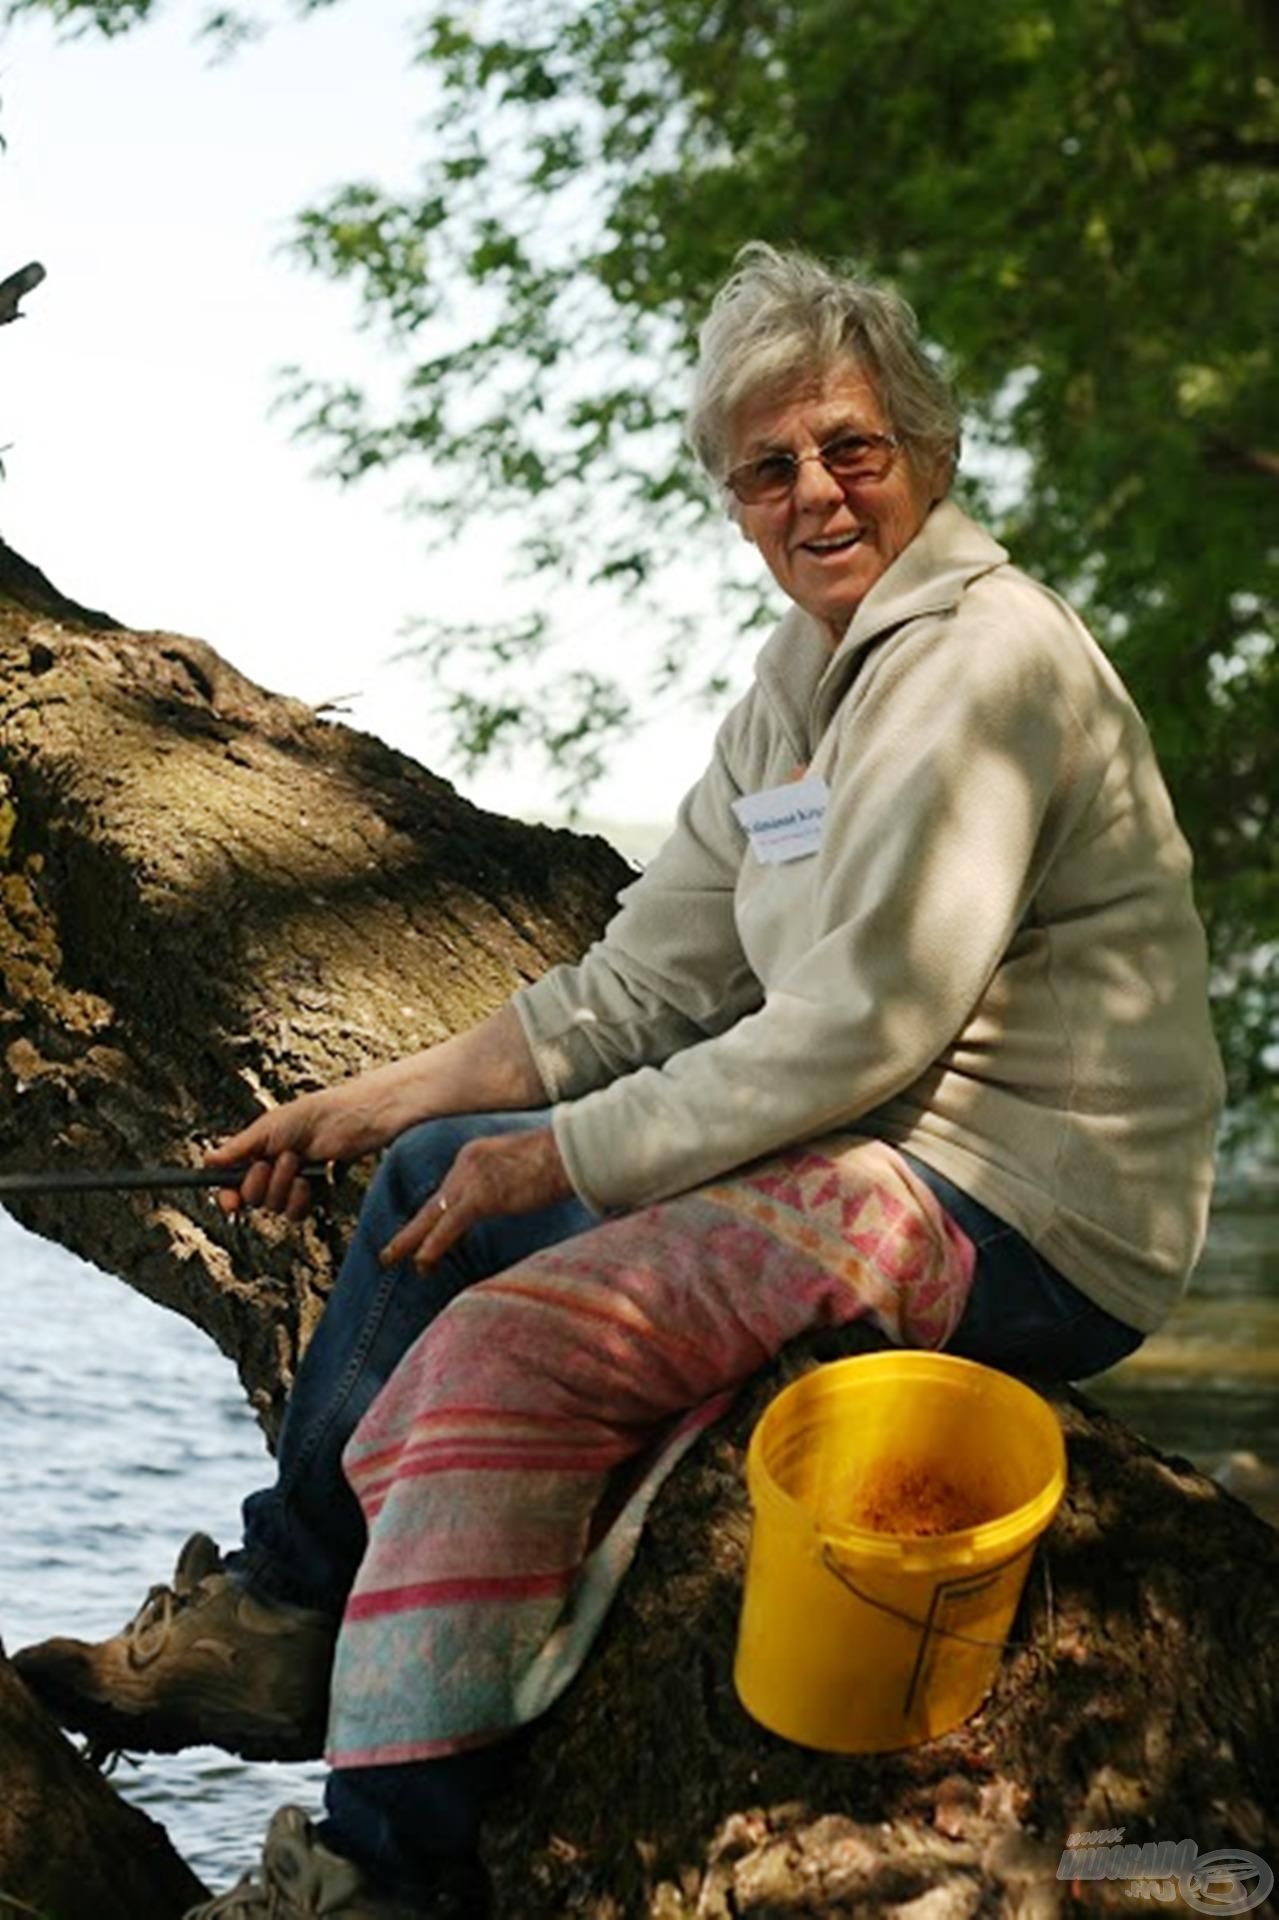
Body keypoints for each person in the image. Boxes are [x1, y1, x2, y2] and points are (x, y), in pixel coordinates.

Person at [15, 244, 1224, 1919]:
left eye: (850, 448)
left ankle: (384, 1871)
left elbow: (867, 1026)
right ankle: (287, 1617)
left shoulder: (984, 661)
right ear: (733, 502)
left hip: (1009, 1203)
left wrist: (564, 1156)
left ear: (927, 455)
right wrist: (379, 1110)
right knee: (437, 1169)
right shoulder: (800, 684)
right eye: (768, 468)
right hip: (866, 1152)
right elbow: (643, 980)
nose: (815, 491)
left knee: (509, 1354)